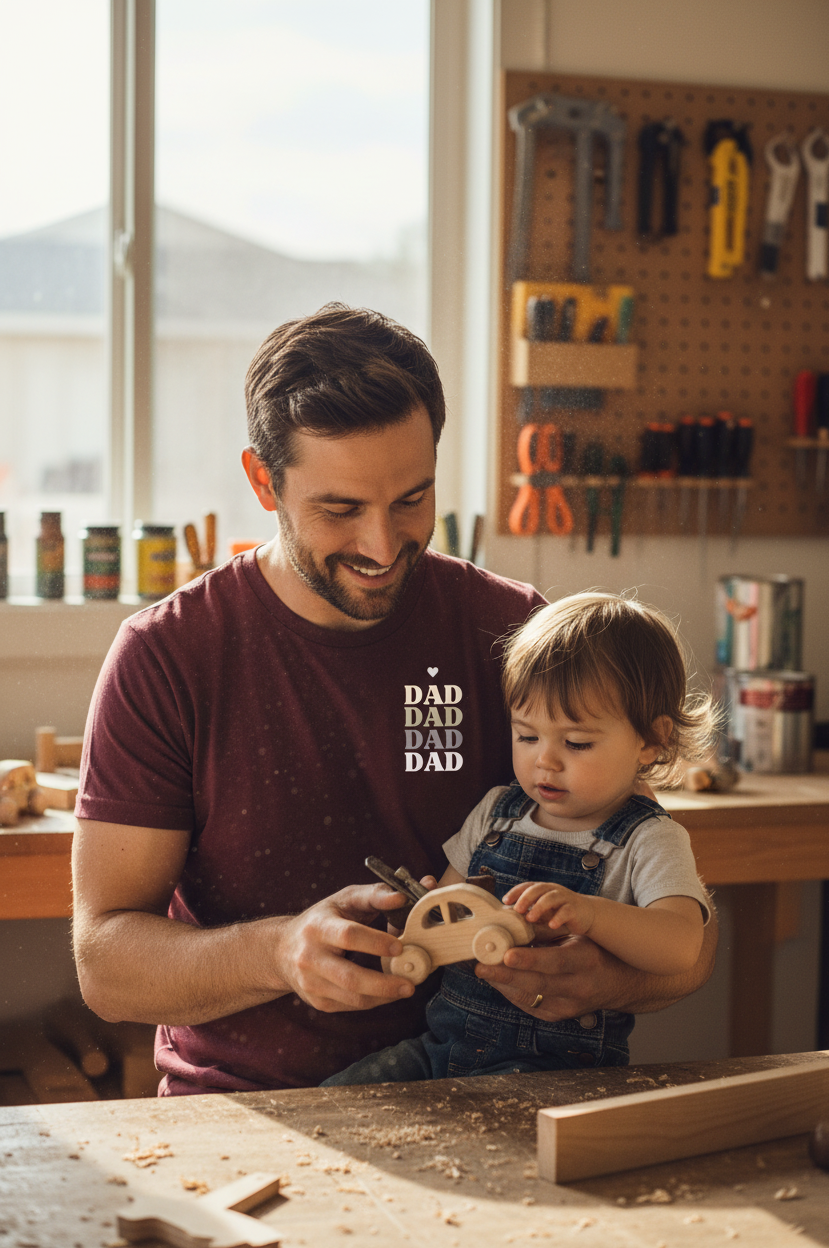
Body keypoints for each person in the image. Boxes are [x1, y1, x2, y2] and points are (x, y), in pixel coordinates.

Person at [72, 305, 718, 1094]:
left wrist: (609, 980)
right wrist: (278, 953)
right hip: (246, 1110)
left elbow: (684, 940)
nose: (382, 546)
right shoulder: (168, 656)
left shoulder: (516, 632)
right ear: (263, 481)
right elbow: (105, 967)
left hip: (490, 1094)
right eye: (341, 509)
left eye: (412, 499)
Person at [322, 593, 715, 1085]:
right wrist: (410, 935)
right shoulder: (496, 812)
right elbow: (449, 915)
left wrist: (592, 915)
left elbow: (681, 946)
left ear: (651, 741)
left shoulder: (650, 839)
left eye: (576, 743)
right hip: (444, 1050)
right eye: (527, 736)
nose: (544, 761)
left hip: (557, 1070)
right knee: (337, 1100)